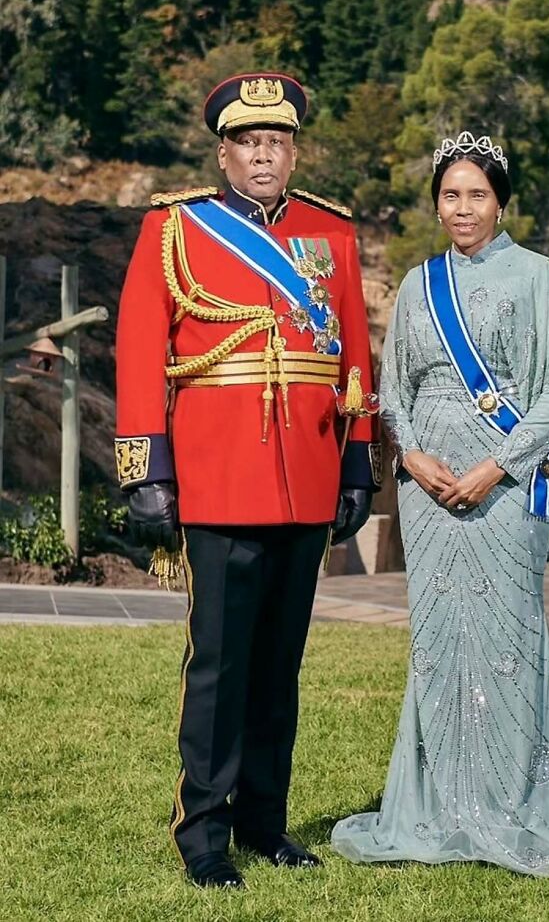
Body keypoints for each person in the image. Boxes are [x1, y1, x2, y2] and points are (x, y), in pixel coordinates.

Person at [331, 131, 549, 875]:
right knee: (439, 641)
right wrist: (409, 454)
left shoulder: (539, 275)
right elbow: (397, 389)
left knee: (509, 639)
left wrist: (497, 467)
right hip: (427, 486)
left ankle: (520, 810)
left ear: (502, 202)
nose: (463, 207)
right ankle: (436, 807)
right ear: (437, 204)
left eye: (477, 193)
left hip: (508, 484)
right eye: (450, 194)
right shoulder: (417, 283)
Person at [114, 72, 381, 889]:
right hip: (217, 477)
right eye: (251, 143)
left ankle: (267, 823)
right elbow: (136, 350)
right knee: (220, 667)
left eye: (279, 143)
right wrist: (144, 470)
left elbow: (355, 358)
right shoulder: (175, 227)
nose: (266, 157)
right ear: (224, 151)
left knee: (279, 666)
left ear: (294, 149)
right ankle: (203, 835)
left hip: (305, 475)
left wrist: (356, 460)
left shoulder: (331, 233)